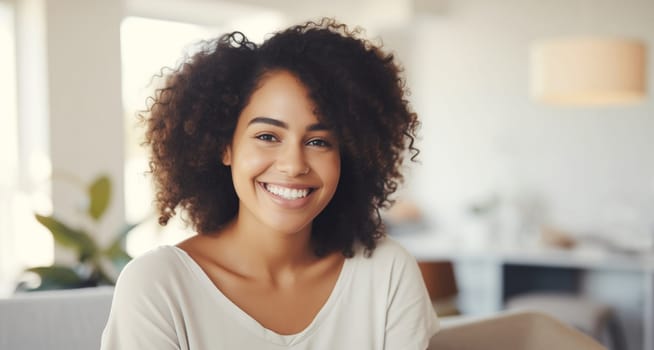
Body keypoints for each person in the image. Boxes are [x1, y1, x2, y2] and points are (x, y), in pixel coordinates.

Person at [101, 18, 438, 349]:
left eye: (319, 141)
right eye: (267, 136)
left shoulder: (385, 271)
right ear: (225, 146)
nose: (293, 166)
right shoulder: (159, 285)